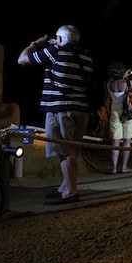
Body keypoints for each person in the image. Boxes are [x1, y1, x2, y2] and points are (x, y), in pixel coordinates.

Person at [17, 24, 94, 205]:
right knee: (72, 150)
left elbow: (22, 60)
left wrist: (36, 44)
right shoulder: (86, 56)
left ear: (59, 39)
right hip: (81, 109)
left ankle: (70, 191)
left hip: (60, 109)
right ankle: (64, 186)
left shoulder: (55, 51)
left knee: (65, 152)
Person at [106, 62, 132, 174]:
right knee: (127, 140)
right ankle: (124, 167)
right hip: (128, 113)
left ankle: (113, 168)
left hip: (115, 113)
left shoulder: (109, 85)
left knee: (115, 141)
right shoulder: (128, 83)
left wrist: (123, 76)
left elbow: (118, 82)